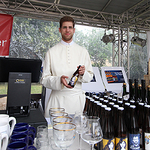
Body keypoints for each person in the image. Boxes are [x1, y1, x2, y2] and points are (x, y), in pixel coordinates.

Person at [40, 16, 93, 117]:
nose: (67, 30)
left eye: (70, 27)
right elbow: (44, 79)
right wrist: (58, 80)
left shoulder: (83, 51)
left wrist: (83, 74)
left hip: (76, 102)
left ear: (74, 30)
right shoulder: (51, 52)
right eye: (64, 27)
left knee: (75, 131)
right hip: (57, 101)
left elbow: (89, 76)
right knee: (55, 132)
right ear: (60, 30)